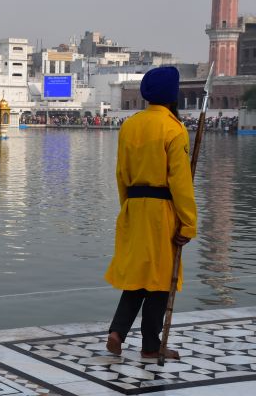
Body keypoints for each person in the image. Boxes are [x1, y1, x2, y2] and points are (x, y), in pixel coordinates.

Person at [104, 66, 197, 360]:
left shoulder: (131, 125)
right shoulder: (173, 129)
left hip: (134, 206)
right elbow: (180, 183)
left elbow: (120, 174)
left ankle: (117, 331)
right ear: (173, 96)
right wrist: (188, 224)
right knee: (159, 280)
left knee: (137, 276)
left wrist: (128, 209)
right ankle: (150, 346)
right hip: (162, 212)